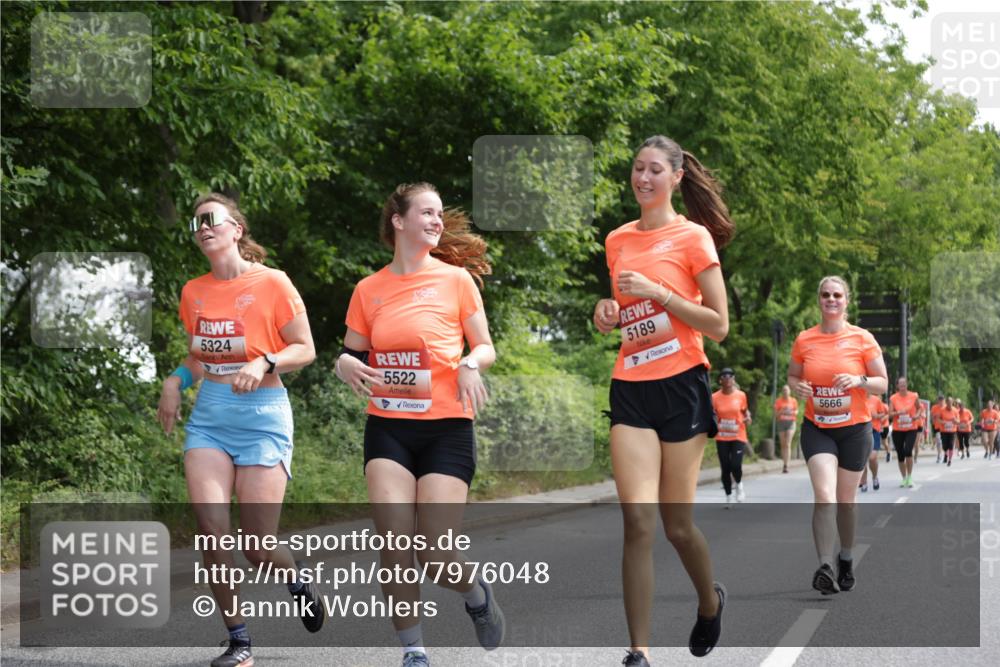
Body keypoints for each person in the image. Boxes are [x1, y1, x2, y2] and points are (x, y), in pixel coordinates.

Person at [335, 183, 502, 667]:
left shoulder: (455, 281)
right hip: (388, 427)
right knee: (393, 544)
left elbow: (485, 346)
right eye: (425, 213)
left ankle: (475, 594)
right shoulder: (369, 289)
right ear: (398, 221)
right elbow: (351, 354)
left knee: (434, 552)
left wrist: (472, 363)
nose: (435, 221)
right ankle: (414, 651)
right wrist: (343, 364)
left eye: (438, 214)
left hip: (447, 428)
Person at [156, 193, 323, 667]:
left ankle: (294, 579)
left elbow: (305, 348)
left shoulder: (272, 283)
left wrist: (267, 359)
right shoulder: (193, 291)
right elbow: (198, 355)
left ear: (236, 229)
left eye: (211, 219)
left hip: (263, 415)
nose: (202, 227)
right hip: (210, 416)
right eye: (196, 223)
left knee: (256, 545)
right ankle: (239, 641)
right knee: (211, 531)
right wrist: (175, 379)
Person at [593, 135, 733, 664]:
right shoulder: (617, 240)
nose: (643, 178)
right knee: (638, 520)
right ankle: (638, 652)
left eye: (655, 170)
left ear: (676, 178)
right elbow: (622, 314)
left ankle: (708, 602)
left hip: (682, 387)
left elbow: (718, 325)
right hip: (631, 383)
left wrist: (662, 294)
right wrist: (605, 312)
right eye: (637, 168)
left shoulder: (694, 238)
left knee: (676, 525)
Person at [787, 276, 888, 595]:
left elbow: (882, 382)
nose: (831, 299)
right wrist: (797, 386)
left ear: (847, 301)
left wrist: (859, 380)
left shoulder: (863, 338)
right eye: (826, 295)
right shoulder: (805, 339)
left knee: (846, 502)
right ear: (819, 300)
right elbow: (792, 375)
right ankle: (825, 565)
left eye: (837, 295)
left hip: (855, 429)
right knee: (825, 496)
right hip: (818, 428)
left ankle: (845, 557)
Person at [713, 369, 752, 506]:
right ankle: (729, 495)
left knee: (735, 465)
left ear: (734, 379)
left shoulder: (741, 395)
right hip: (722, 436)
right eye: (724, 376)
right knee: (725, 467)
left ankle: (739, 485)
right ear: (720, 380)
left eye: (731, 376)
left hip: (738, 435)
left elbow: (745, 412)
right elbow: (713, 415)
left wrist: (748, 418)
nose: (728, 378)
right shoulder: (714, 397)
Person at [888, 378, 921, 487]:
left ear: (907, 384)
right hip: (898, 430)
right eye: (900, 384)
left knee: (908, 451)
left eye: (904, 384)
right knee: (900, 454)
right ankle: (904, 478)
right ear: (897, 386)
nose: (902, 385)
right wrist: (898, 412)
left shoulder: (914, 396)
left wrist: (916, 415)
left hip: (911, 428)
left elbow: (920, 408)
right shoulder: (893, 398)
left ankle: (910, 477)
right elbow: (890, 414)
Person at [859, 393, 888, 492]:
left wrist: (876, 416)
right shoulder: (857, 398)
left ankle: (875, 477)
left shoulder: (876, 400)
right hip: (860, 431)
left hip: (874, 430)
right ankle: (864, 482)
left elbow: (883, 413)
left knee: (872, 457)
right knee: (862, 458)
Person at [774, 385, 799, 473]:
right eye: (784, 390)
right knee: (783, 444)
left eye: (786, 390)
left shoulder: (793, 400)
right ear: (782, 391)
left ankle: (786, 465)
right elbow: (776, 415)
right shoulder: (778, 401)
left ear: (789, 391)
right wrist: (782, 411)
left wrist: (793, 412)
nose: (785, 391)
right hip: (781, 423)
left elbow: (796, 411)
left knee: (788, 443)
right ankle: (784, 462)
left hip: (791, 423)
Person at [939, 398, 959, 466]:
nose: (949, 404)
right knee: (945, 446)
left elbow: (958, 421)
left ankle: (949, 460)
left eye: (951, 403)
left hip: (952, 431)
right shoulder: (942, 410)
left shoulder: (955, 410)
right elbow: (938, 419)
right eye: (948, 403)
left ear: (952, 403)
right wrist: (942, 422)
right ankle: (946, 454)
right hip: (944, 430)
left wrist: (955, 421)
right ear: (946, 403)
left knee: (951, 445)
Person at [930, 395, 945, 463]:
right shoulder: (934, 407)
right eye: (939, 400)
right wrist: (933, 420)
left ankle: (946, 454)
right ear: (938, 401)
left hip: (945, 428)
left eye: (942, 400)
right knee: (939, 441)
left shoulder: (946, 407)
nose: (941, 402)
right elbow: (932, 417)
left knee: (944, 442)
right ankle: (939, 455)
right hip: (937, 427)